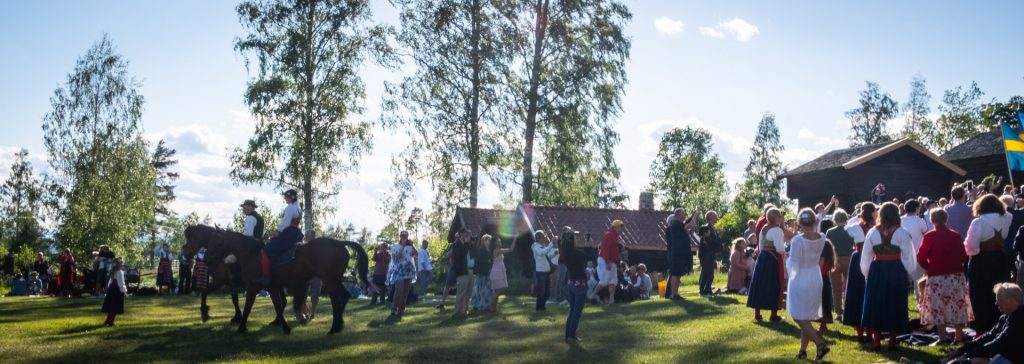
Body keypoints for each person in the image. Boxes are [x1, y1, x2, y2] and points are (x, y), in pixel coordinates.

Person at [860, 202, 917, 351]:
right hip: (895, 270)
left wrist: (866, 272)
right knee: (894, 303)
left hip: (877, 270)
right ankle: (892, 342)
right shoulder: (902, 233)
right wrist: (909, 271)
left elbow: (866, 256)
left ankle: (877, 342)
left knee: (876, 303)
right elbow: (909, 256)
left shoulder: (872, 232)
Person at [917, 208, 972, 344]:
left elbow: (921, 256)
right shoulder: (955, 235)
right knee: (958, 305)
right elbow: (964, 256)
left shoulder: (930, 236)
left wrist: (929, 267)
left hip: (937, 275)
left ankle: (942, 337)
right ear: (946, 219)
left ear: (932, 220)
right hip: (955, 274)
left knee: (938, 306)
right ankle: (958, 336)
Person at [964, 193, 1013, 333]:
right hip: (999, 259)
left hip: (981, 261)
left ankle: (981, 328)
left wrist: (973, 251)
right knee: (999, 293)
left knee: (979, 295)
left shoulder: (978, 222)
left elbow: (971, 247)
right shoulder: (1007, 218)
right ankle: (1000, 323)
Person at [786, 209, 830, 361]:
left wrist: (789, 270)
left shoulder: (797, 240)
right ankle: (803, 351)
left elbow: (794, 263)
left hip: (801, 277)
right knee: (805, 315)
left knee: (798, 315)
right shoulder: (822, 237)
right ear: (814, 221)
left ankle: (820, 343)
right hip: (815, 276)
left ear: (799, 223)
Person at [942, 283, 1023, 364]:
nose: (996, 303)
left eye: (999, 300)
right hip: (1007, 356)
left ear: (1012, 301)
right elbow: (989, 336)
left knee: (972, 361)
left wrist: (966, 355)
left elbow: (997, 344)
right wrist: (961, 350)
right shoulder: (1006, 317)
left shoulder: (1020, 319)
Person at [842, 203, 876, 341]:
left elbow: (846, 226)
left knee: (856, 291)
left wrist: (857, 216)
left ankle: (860, 329)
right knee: (868, 290)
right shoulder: (876, 227)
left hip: (858, 257)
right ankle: (870, 328)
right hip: (872, 258)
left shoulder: (856, 227)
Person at [256, 190, 303, 286]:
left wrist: (277, 231)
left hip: (289, 233)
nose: (285, 199)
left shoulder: (289, 208)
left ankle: (266, 276)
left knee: (265, 250)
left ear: (291, 197)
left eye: (286, 197)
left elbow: (285, 222)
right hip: (297, 233)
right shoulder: (298, 207)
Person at [747, 208, 785, 321]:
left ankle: (757, 313)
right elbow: (780, 249)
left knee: (760, 284)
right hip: (772, 260)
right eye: (780, 216)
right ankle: (773, 314)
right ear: (776, 217)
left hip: (762, 258)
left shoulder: (764, 228)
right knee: (774, 284)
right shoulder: (777, 230)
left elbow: (761, 245)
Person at [559, 227, 589, 342]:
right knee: (576, 311)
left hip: (571, 283)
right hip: (580, 285)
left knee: (572, 310)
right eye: (575, 238)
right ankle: (571, 335)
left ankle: (568, 334)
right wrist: (588, 245)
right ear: (572, 241)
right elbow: (590, 256)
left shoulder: (565, 254)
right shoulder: (578, 254)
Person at [825, 209, 853, 321]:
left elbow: (827, 248)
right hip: (849, 259)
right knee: (849, 287)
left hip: (835, 260)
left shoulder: (830, 232)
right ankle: (850, 309)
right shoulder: (850, 230)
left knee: (836, 288)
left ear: (835, 219)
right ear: (846, 219)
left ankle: (838, 312)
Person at [901, 199, 929, 300]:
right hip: (917, 254)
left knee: (903, 282)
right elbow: (926, 234)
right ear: (917, 209)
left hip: (903, 255)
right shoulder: (920, 221)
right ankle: (920, 302)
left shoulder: (900, 220)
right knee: (918, 281)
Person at [666, 210, 695, 300]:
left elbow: (688, 227)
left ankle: (675, 293)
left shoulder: (678, 226)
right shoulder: (675, 225)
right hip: (675, 253)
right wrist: (695, 216)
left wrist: (693, 216)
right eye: (683, 213)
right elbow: (689, 225)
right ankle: (672, 294)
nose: (684, 215)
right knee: (675, 273)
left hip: (679, 252)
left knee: (677, 274)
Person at [391, 231, 418, 316]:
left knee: (406, 291)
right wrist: (402, 246)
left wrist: (412, 245)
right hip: (399, 270)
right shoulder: (396, 246)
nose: (404, 238)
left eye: (405, 236)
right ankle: (394, 308)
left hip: (409, 270)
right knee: (399, 289)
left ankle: (401, 309)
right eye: (402, 236)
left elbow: (416, 254)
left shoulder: (410, 246)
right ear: (400, 237)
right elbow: (397, 257)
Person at [488, 236, 516, 312]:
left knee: (497, 290)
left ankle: (493, 308)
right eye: (498, 241)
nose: (500, 242)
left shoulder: (497, 250)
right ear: (495, 243)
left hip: (499, 271)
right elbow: (510, 249)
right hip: (497, 271)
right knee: (498, 290)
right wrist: (515, 239)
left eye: (500, 241)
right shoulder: (496, 251)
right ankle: (489, 305)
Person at [699, 211, 722, 298]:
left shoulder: (713, 229)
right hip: (706, 255)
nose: (716, 217)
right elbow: (707, 242)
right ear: (709, 217)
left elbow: (715, 243)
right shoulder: (705, 228)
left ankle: (708, 290)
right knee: (706, 273)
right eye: (714, 216)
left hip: (711, 255)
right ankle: (703, 291)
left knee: (710, 274)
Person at [532, 230, 557, 310]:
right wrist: (552, 243)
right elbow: (542, 253)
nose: (545, 237)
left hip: (546, 272)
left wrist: (554, 254)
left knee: (547, 292)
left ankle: (542, 306)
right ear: (539, 238)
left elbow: (547, 256)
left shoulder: (543, 246)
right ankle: (539, 308)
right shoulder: (536, 247)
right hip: (540, 272)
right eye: (543, 236)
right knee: (541, 291)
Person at [301, 230, 321, 321]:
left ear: (313, 236)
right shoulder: (302, 247)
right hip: (304, 275)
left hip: (316, 275)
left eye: (307, 235)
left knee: (315, 296)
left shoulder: (319, 248)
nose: (305, 237)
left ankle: (312, 315)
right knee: (302, 296)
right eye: (305, 236)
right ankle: (305, 315)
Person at [817, 240, 837, 333]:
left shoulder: (822, 257)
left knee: (820, 301)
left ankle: (822, 325)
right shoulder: (830, 257)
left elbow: (819, 268)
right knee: (825, 301)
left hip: (820, 278)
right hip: (825, 278)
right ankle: (823, 325)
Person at [451, 228, 472, 317]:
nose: (465, 235)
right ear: (460, 235)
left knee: (464, 292)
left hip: (465, 271)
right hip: (460, 271)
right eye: (464, 234)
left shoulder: (464, 244)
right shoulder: (457, 244)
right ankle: (457, 311)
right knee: (461, 292)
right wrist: (467, 244)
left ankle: (462, 311)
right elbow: (461, 255)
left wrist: (467, 243)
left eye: (466, 234)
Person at [471, 234, 494, 312]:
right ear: (483, 241)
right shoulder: (481, 250)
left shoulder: (490, 250)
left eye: (489, 241)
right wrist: (487, 261)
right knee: (479, 289)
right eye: (487, 241)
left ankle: (485, 304)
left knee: (486, 290)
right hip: (481, 272)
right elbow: (478, 261)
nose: (488, 242)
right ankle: (477, 305)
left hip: (488, 272)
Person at [101, 257, 127, 326]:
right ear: (120, 264)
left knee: (111, 306)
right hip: (117, 290)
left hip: (111, 289)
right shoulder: (120, 272)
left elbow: (110, 282)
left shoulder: (113, 271)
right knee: (115, 307)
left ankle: (107, 320)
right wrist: (124, 291)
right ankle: (111, 322)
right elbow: (121, 283)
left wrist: (108, 289)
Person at [697, 225, 718, 298]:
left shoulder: (705, 239)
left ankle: (706, 290)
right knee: (708, 276)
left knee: (708, 276)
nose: (709, 232)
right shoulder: (705, 240)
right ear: (705, 233)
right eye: (708, 231)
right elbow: (711, 248)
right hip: (706, 260)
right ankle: (704, 291)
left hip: (708, 260)